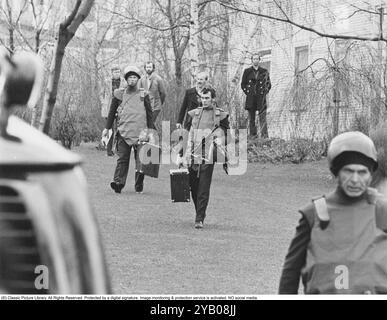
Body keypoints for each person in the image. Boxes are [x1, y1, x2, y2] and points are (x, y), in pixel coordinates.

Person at [278, 131, 387, 294]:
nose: (355, 179)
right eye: (348, 171)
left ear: (371, 174)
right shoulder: (314, 213)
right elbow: (291, 272)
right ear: (336, 172)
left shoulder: (382, 210)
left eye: (362, 172)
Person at [179, 87, 229, 229]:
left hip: (209, 154)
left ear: (213, 99)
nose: (204, 100)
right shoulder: (195, 114)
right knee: (193, 186)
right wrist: (183, 154)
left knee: (203, 187)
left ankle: (199, 218)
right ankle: (199, 212)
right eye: (202, 97)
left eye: (207, 98)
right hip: (193, 153)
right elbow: (188, 134)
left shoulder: (220, 115)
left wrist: (220, 138)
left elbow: (227, 133)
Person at [102, 66, 155, 194]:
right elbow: (112, 112)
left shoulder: (144, 94)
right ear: (126, 79)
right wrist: (107, 128)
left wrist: (151, 131)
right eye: (130, 77)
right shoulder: (119, 94)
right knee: (122, 159)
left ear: (138, 79)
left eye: (134, 77)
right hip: (124, 131)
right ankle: (118, 183)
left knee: (140, 161)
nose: (132, 79)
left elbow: (149, 114)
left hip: (141, 132)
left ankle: (138, 185)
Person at [241, 53, 271, 138]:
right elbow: (243, 84)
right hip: (251, 98)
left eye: (257, 59)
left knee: (262, 118)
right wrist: (248, 92)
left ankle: (264, 136)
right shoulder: (247, 71)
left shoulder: (264, 71)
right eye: (254, 59)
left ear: (259, 60)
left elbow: (269, 84)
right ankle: (253, 136)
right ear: (251, 60)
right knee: (252, 119)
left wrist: (264, 92)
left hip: (261, 98)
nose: (255, 60)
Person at [139, 61, 166, 128]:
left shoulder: (158, 79)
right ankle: (154, 137)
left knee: (150, 122)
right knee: (148, 123)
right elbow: (140, 92)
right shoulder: (142, 79)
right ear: (145, 68)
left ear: (153, 68)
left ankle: (153, 137)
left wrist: (160, 103)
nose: (148, 69)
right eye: (147, 67)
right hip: (145, 106)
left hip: (155, 106)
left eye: (150, 67)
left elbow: (163, 93)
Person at [106, 66, 121, 156]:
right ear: (112, 73)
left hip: (120, 108)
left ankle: (119, 150)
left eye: (118, 72)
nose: (117, 73)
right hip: (108, 108)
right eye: (115, 72)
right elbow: (101, 93)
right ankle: (109, 151)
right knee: (109, 130)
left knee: (119, 130)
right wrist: (104, 102)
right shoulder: (107, 82)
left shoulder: (123, 82)